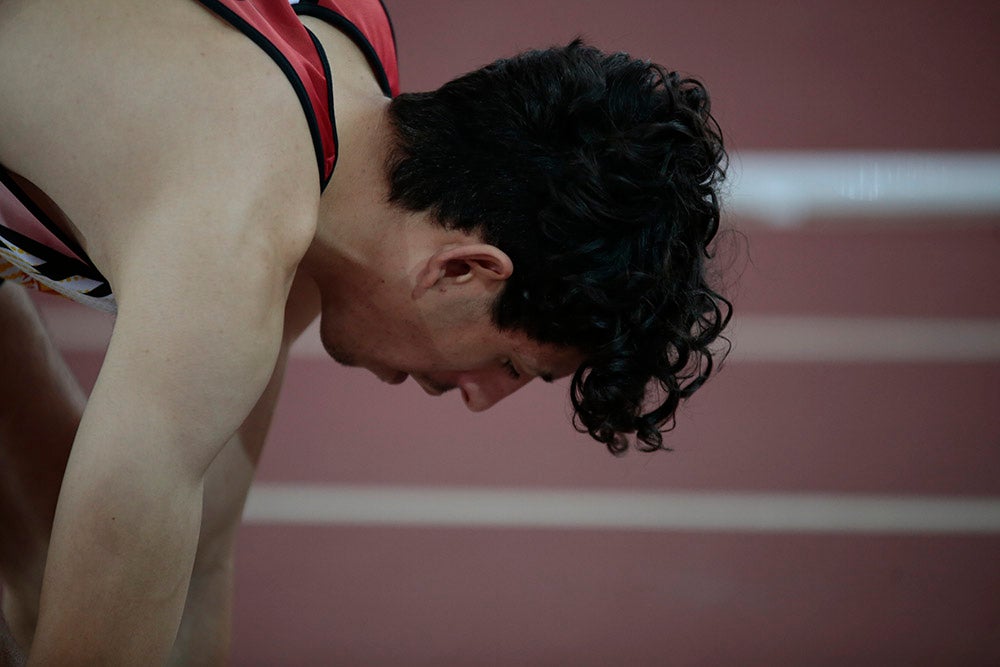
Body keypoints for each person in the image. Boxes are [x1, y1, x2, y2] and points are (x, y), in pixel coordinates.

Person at [0, 0, 730, 663]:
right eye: (511, 365)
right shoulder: (235, 230)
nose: (478, 398)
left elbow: (194, 568)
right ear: (463, 270)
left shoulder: (345, 100)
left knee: (73, 543)